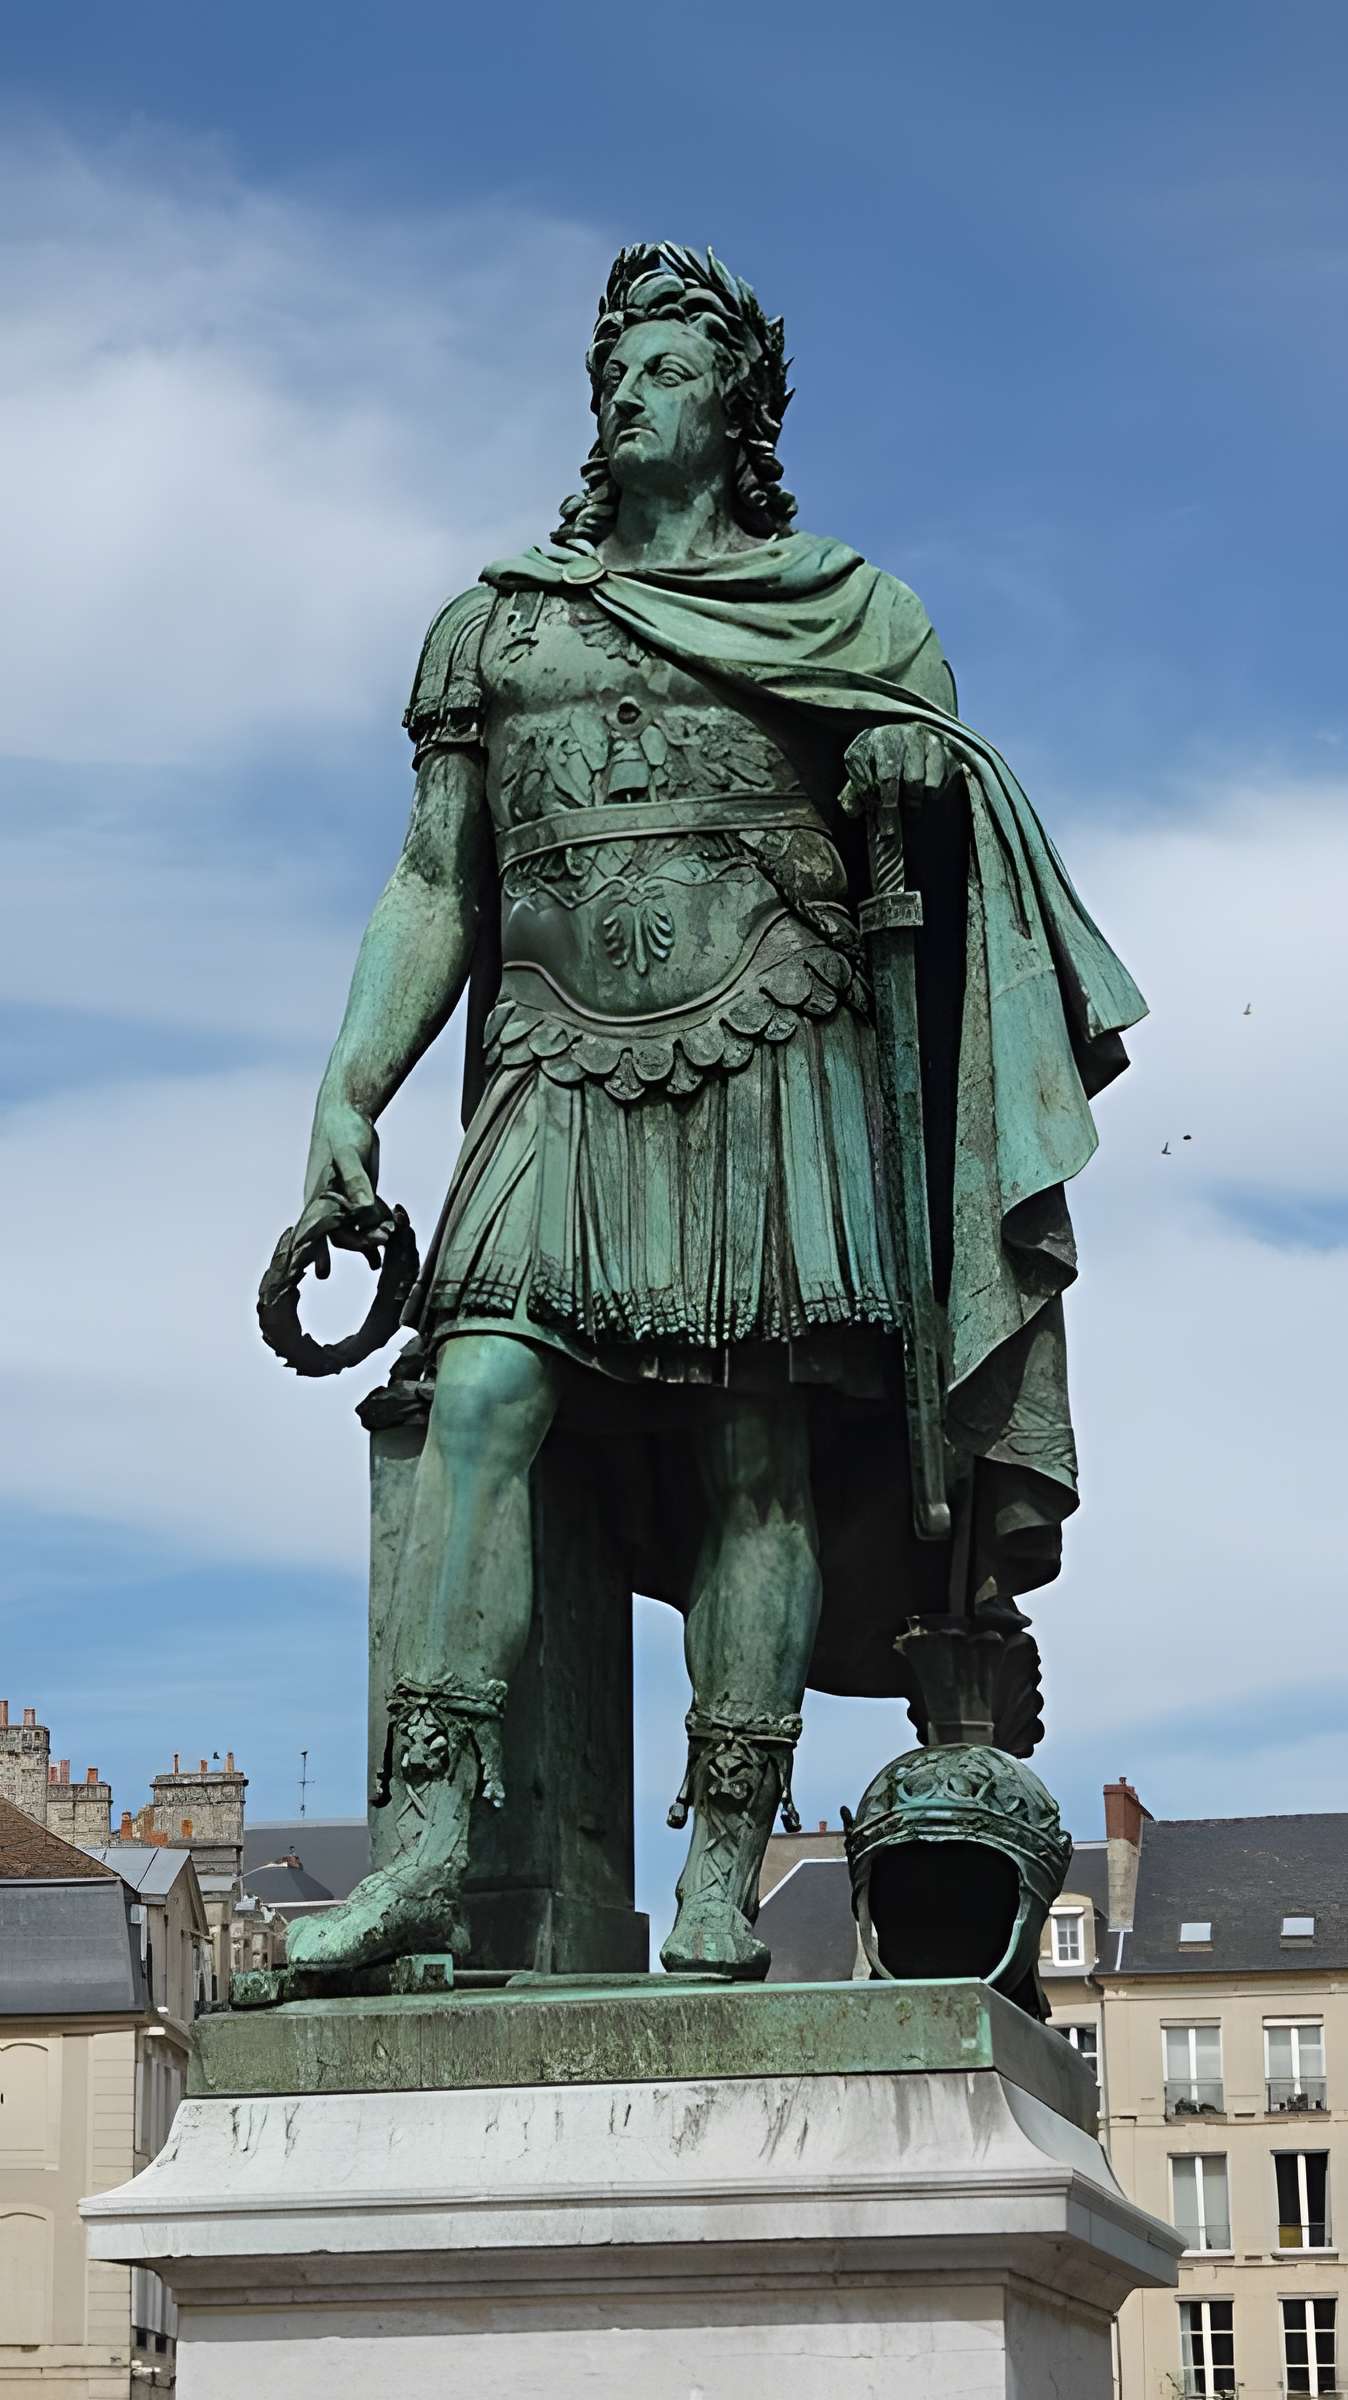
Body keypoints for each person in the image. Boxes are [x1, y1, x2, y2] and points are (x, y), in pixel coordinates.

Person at [281, 244, 1143, 1979]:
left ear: (739, 411)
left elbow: (952, 835)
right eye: (615, 368)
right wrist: (349, 1090)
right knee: (478, 1400)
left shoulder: (856, 615)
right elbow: (435, 885)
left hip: (771, 1044)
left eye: (668, 367)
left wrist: (915, 769)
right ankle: (427, 1845)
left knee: (758, 1458)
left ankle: (720, 1875)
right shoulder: (495, 627)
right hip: (553, 1060)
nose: (629, 392)